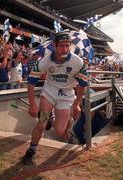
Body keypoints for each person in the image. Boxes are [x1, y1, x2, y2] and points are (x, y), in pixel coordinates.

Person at [22, 31, 88, 164]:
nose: (64, 49)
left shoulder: (78, 62)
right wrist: (32, 104)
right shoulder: (44, 61)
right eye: (61, 46)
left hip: (67, 95)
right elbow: (31, 82)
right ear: (54, 45)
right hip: (49, 92)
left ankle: (56, 119)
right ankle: (31, 151)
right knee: (41, 124)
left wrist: (76, 104)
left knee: (59, 130)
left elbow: (82, 85)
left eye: (67, 46)